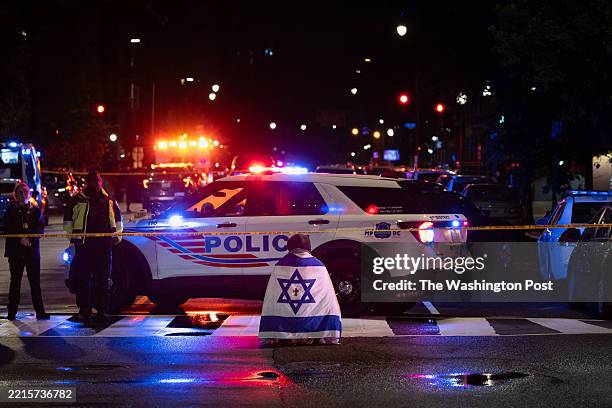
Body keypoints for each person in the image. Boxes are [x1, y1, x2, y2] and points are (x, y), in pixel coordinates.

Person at [259, 234, 341, 345]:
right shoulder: (319, 266)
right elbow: (327, 300)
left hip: (283, 325)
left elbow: (271, 300)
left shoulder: (280, 266)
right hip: (313, 323)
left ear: (290, 247)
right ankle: (319, 334)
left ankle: (279, 336)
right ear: (308, 247)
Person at [64, 171, 123, 325]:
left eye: (97, 181)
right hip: (84, 245)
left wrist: (117, 235)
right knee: (83, 279)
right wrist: (73, 237)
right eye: (92, 181)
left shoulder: (109, 199)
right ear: (87, 183)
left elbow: (118, 219)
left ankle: (102, 311)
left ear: (100, 182)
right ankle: (85, 310)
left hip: (103, 245)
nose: (95, 184)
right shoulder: (77, 199)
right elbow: (67, 220)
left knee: (102, 279)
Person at [3, 183, 49, 320]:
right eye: (20, 192)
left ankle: (40, 311)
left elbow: (40, 228)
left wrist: (30, 239)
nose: (23, 194)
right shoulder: (11, 210)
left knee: (35, 282)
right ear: (15, 195)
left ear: (29, 194)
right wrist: (19, 238)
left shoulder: (35, 210)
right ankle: (12, 312)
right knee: (15, 282)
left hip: (32, 252)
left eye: (25, 192)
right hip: (15, 252)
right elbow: (7, 227)